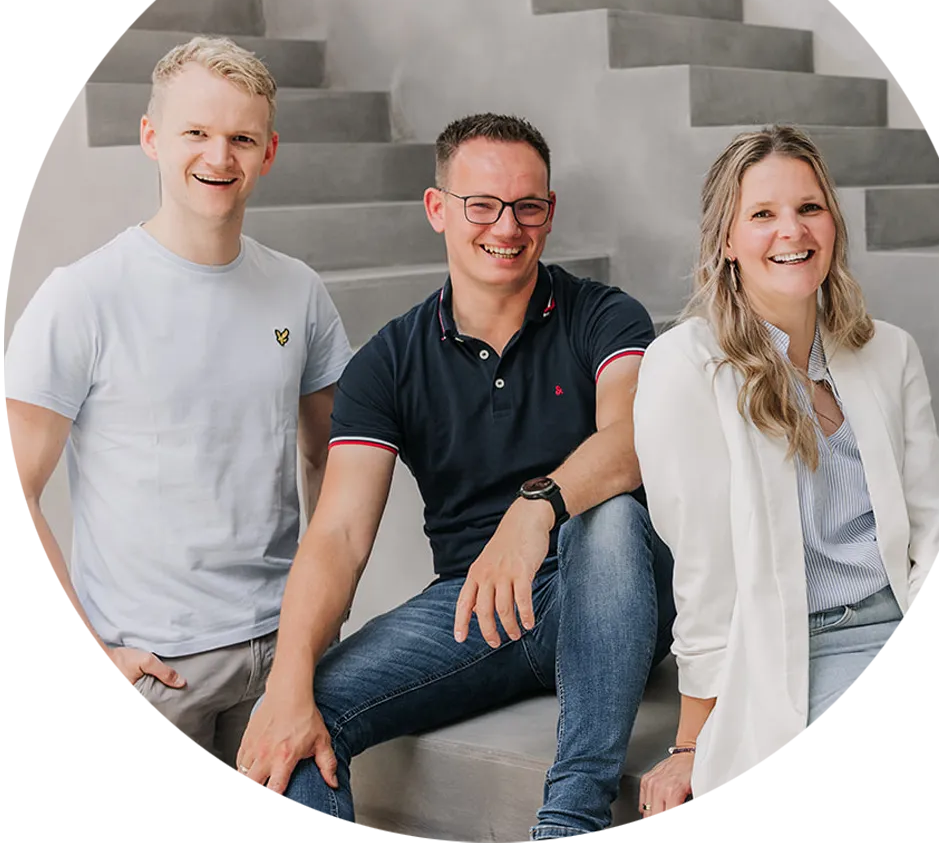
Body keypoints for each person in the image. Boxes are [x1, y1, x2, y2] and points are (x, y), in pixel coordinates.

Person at [235, 112, 676, 842]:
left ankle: (567, 825)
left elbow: (630, 439)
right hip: (480, 608)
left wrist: (535, 509)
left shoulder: (603, 315)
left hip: (615, 590)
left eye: (527, 206)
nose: (507, 226)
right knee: (299, 716)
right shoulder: (387, 361)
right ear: (438, 208)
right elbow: (339, 533)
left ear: (550, 212)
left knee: (615, 516)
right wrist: (285, 679)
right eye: (483, 205)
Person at [4, 36, 352, 772]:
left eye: (241, 138)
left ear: (269, 151)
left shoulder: (299, 291)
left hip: (284, 659)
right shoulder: (83, 295)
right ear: (151, 136)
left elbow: (332, 457)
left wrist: (321, 618)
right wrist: (85, 651)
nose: (218, 157)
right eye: (196, 132)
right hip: (157, 673)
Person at [632, 124, 939, 818]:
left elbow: (937, 526)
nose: (793, 229)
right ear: (726, 241)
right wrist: (693, 740)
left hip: (905, 619)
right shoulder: (685, 366)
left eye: (810, 207)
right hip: (803, 652)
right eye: (762, 213)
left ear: (833, 222)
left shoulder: (888, 352)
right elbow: (704, 567)